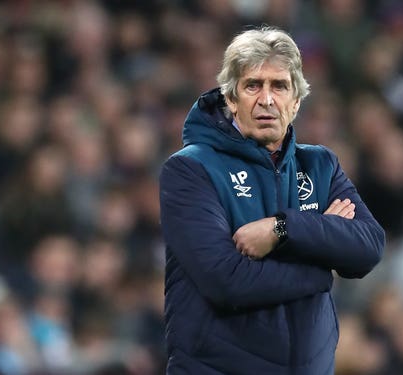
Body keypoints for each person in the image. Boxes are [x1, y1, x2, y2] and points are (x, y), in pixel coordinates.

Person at [159, 26, 386, 374]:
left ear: (296, 101)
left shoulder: (320, 165)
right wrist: (322, 264)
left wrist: (283, 228)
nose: (267, 99)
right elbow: (227, 281)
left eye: (279, 86)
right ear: (231, 98)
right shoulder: (191, 169)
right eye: (253, 85)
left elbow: (368, 247)